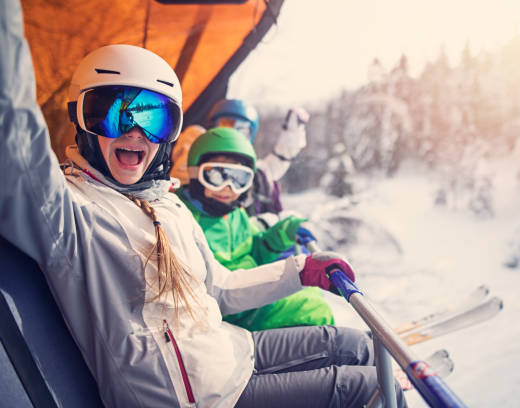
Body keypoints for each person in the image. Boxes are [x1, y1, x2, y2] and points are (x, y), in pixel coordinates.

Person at [0, 7, 408, 407]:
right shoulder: (68, 214)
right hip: (195, 398)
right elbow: (13, 132)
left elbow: (221, 289)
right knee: (367, 388)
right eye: (114, 115)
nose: (136, 133)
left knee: (356, 346)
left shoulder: (169, 206)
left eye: (155, 119)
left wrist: (301, 271)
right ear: (80, 117)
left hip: (231, 352)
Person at [173, 126, 334, 331]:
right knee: (311, 308)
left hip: (251, 295)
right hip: (230, 311)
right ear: (195, 172)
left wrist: (284, 232)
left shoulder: (234, 214)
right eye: (216, 176)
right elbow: (214, 288)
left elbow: (254, 251)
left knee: (312, 294)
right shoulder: (184, 218)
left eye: (239, 179)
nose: (228, 188)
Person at [205, 98, 310, 219]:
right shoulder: (200, 164)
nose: (232, 135)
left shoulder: (258, 174)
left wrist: (292, 134)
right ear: (212, 127)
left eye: (241, 130)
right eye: (225, 126)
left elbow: (278, 161)